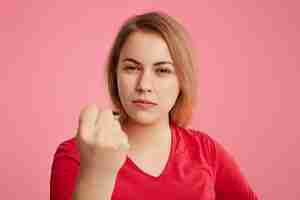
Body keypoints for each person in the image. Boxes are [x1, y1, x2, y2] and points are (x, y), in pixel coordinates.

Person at [50, 11, 259, 200]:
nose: (144, 85)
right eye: (131, 68)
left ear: (182, 80)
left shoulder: (207, 151)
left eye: (162, 71)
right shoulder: (75, 155)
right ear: (115, 75)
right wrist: (97, 172)